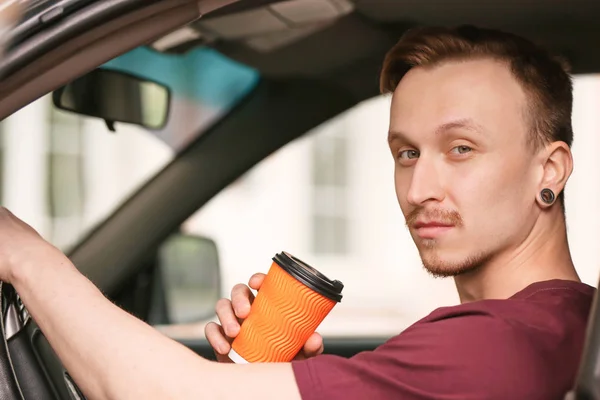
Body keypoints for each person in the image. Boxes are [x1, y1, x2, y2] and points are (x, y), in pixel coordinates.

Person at [0, 24, 595, 400]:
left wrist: (26, 256)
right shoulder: (567, 325)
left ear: (551, 170)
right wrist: (274, 379)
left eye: (460, 149)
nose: (419, 187)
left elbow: (165, 394)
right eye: (406, 153)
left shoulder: (500, 344)